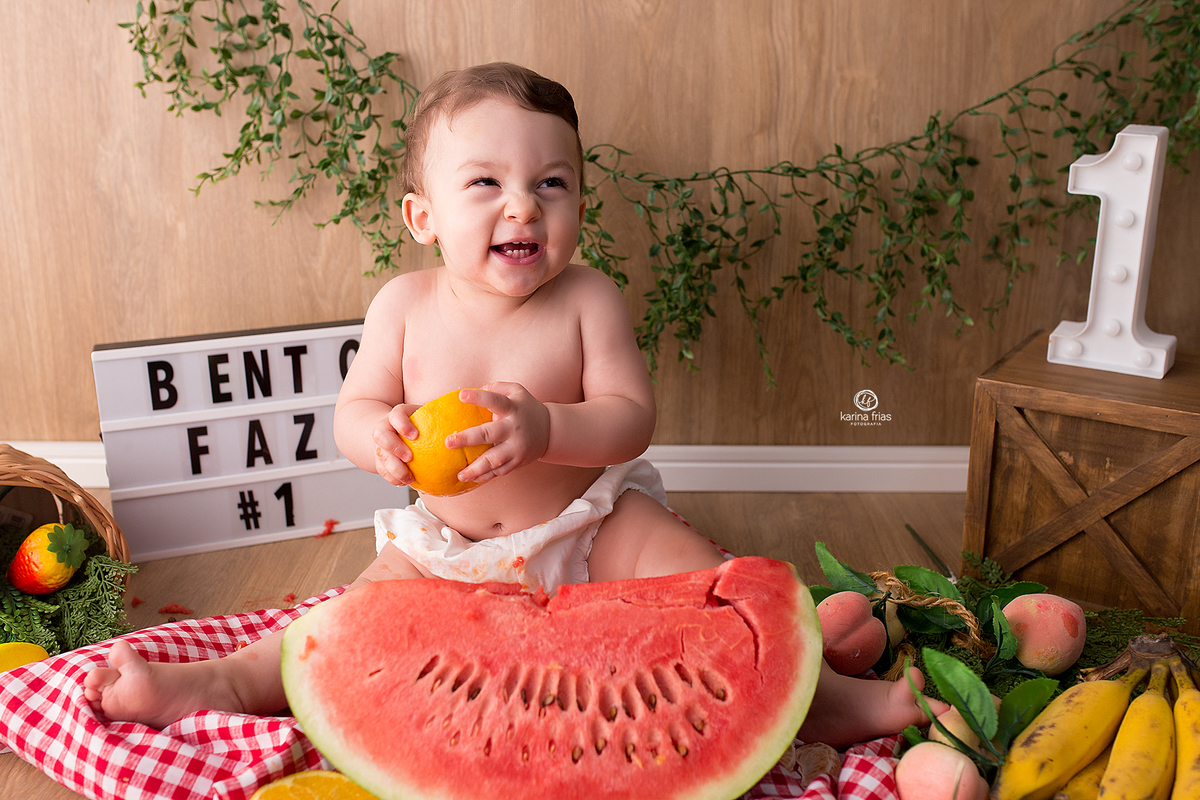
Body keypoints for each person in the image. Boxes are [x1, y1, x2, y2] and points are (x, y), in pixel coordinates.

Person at [83, 62, 945, 749]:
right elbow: (355, 409)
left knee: (705, 580)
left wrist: (546, 429)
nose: (523, 204)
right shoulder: (402, 307)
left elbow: (629, 419)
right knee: (343, 624)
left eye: (552, 183)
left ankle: (823, 698)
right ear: (422, 215)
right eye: (486, 182)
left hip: (591, 525)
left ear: (578, 203)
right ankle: (220, 682)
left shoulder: (588, 300)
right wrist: (373, 436)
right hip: (445, 547)